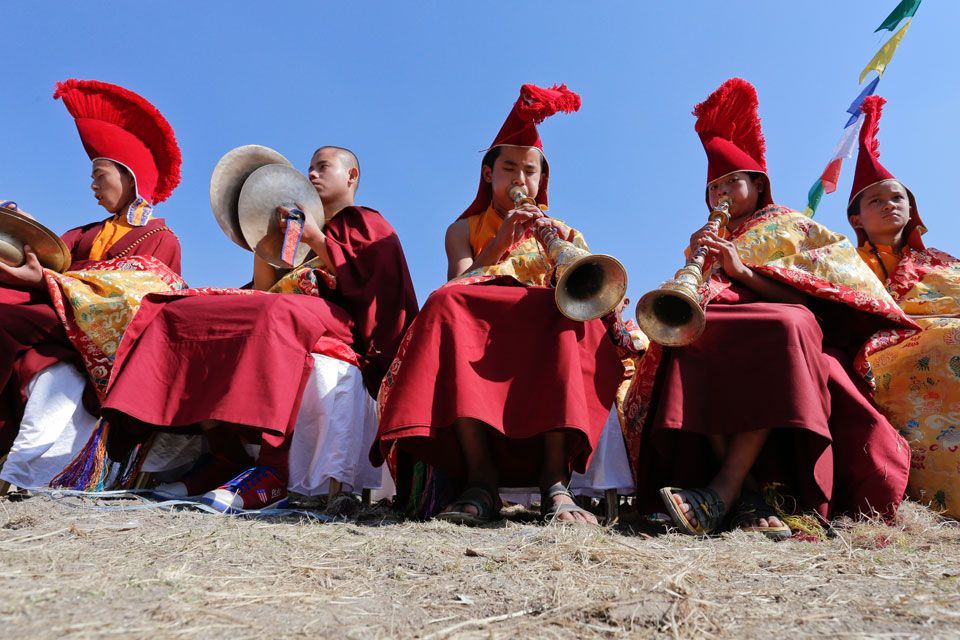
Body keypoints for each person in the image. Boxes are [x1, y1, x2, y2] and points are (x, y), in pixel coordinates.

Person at [623, 78, 915, 539]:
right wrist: (696, 268)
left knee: (786, 324)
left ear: (758, 185)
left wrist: (743, 273)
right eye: (713, 186)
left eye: (731, 182)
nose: (721, 192)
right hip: (722, 325)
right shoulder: (709, 237)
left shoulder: (792, 226)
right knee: (687, 335)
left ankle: (726, 488)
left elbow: (819, 306)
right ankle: (746, 496)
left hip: (790, 330)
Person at [99, 145, 418, 512]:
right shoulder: (300, 225)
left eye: (322, 167)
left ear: (351, 176)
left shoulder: (363, 221)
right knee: (186, 312)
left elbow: (371, 284)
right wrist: (264, 239)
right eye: (309, 167)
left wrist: (316, 238)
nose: (311, 174)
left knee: (275, 315)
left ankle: (273, 471)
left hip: (340, 319)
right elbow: (264, 288)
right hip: (289, 305)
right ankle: (226, 456)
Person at [372, 84, 633, 525]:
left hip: (544, 327)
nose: (520, 180)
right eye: (509, 168)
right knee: (445, 308)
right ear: (488, 174)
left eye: (530, 171)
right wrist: (498, 243)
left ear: (541, 180)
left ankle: (555, 480)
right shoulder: (464, 228)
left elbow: (590, 291)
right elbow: (458, 285)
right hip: (482, 325)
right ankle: (480, 478)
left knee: (571, 320)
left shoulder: (564, 232)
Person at [0, 79, 182, 482]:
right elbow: (49, 262)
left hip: (97, 338)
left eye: (101, 175)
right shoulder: (83, 234)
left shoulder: (159, 238)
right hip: (54, 323)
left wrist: (48, 282)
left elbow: (133, 296)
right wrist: (19, 229)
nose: (93, 186)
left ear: (131, 178)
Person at [848, 96, 960, 519]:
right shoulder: (842, 263)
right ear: (857, 219)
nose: (888, 204)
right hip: (878, 353)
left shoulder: (943, 262)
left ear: (912, 210)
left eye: (897, 198)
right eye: (875, 200)